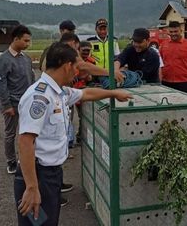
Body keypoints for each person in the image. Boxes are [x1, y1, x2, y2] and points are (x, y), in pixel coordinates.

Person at [14, 42, 132, 226]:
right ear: (67, 65)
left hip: (51, 175)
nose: (78, 72)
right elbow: (25, 142)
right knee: (37, 223)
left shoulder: (59, 92)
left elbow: (85, 93)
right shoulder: (39, 97)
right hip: (38, 176)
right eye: (76, 67)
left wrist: (113, 93)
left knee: (48, 222)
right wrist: (31, 187)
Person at [0, 25, 35, 174]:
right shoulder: (2, 60)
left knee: (29, 133)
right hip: (12, 105)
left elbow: (32, 78)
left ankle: (27, 158)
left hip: (27, 104)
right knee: (10, 134)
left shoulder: (26, 59)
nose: (27, 44)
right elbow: (0, 84)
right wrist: (7, 105)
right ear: (16, 39)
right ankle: (11, 161)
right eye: (25, 41)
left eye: (29, 41)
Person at [159, 21, 187, 94]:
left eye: (176, 31)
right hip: (166, 81)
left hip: (183, 82)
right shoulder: (163, 44)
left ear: (181, 31)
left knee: (182, 104)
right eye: (171, 32)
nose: (173, 34)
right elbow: (159, 63)